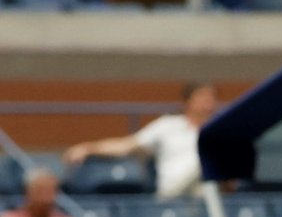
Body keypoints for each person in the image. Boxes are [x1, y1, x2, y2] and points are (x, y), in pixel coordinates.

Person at [63, 82, 221, 200]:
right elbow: (126, 145)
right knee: (201, 166)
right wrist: (88, 148)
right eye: (202, 97)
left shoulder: (221, 131)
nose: (208, 103)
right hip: (172, 196)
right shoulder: (168, 125)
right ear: (188, 101)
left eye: (211, 98)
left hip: (210, 197)